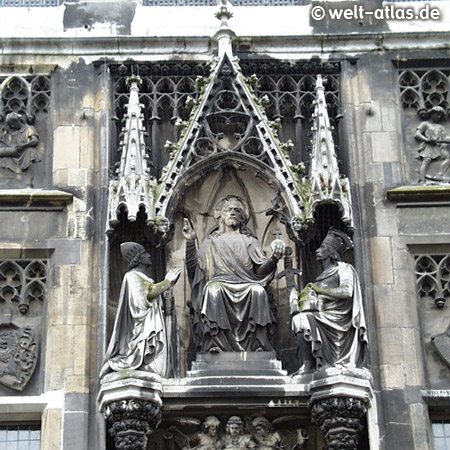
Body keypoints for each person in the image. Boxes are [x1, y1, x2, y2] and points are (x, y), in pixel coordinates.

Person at [182, 195, 285, 353]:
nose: (232, 212)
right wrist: (190, 242)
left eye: (237, 210)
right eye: (228, 210)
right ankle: (214, 344)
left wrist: (274, 258)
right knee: (213, 291)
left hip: (247, 284)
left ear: (243, 217)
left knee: (257, 291)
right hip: (219, 283)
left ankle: (258, 344)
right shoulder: (211, 242)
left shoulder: (250, 241)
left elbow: (259, 270)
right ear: (221, 216)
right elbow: (195, 270)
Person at [290, 228, 367, 373]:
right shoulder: (321, 275)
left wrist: (320, 291)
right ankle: (307, 365)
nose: (318, 250)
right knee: (299, 320)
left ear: (331, 252)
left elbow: (347, 291)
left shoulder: (344, 268)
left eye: (323, 247)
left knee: (304, 319)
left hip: (338, 317)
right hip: (323, 314)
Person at [100, 242, 180, 378]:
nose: (149, 255)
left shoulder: (146, 280)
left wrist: (168, 290)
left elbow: (161, 306)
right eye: (144, 253)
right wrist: (167, 282)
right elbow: (143, 300)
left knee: (158, 369)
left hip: (151, 327)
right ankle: (118, 364)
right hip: (142, 331)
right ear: (138, 258)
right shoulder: (131, 276)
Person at [415, 106, 450, 183]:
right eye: (437, 114)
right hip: (429, 145)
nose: (438, 117)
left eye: (440, 116)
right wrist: (427, 140)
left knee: (448, 157)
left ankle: (440, 175)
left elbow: (445, 136)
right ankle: (422, 179)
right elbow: (417, 134)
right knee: (426, 160)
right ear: (432, 113)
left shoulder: (440, 127)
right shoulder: (425, 124)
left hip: (438, 146)